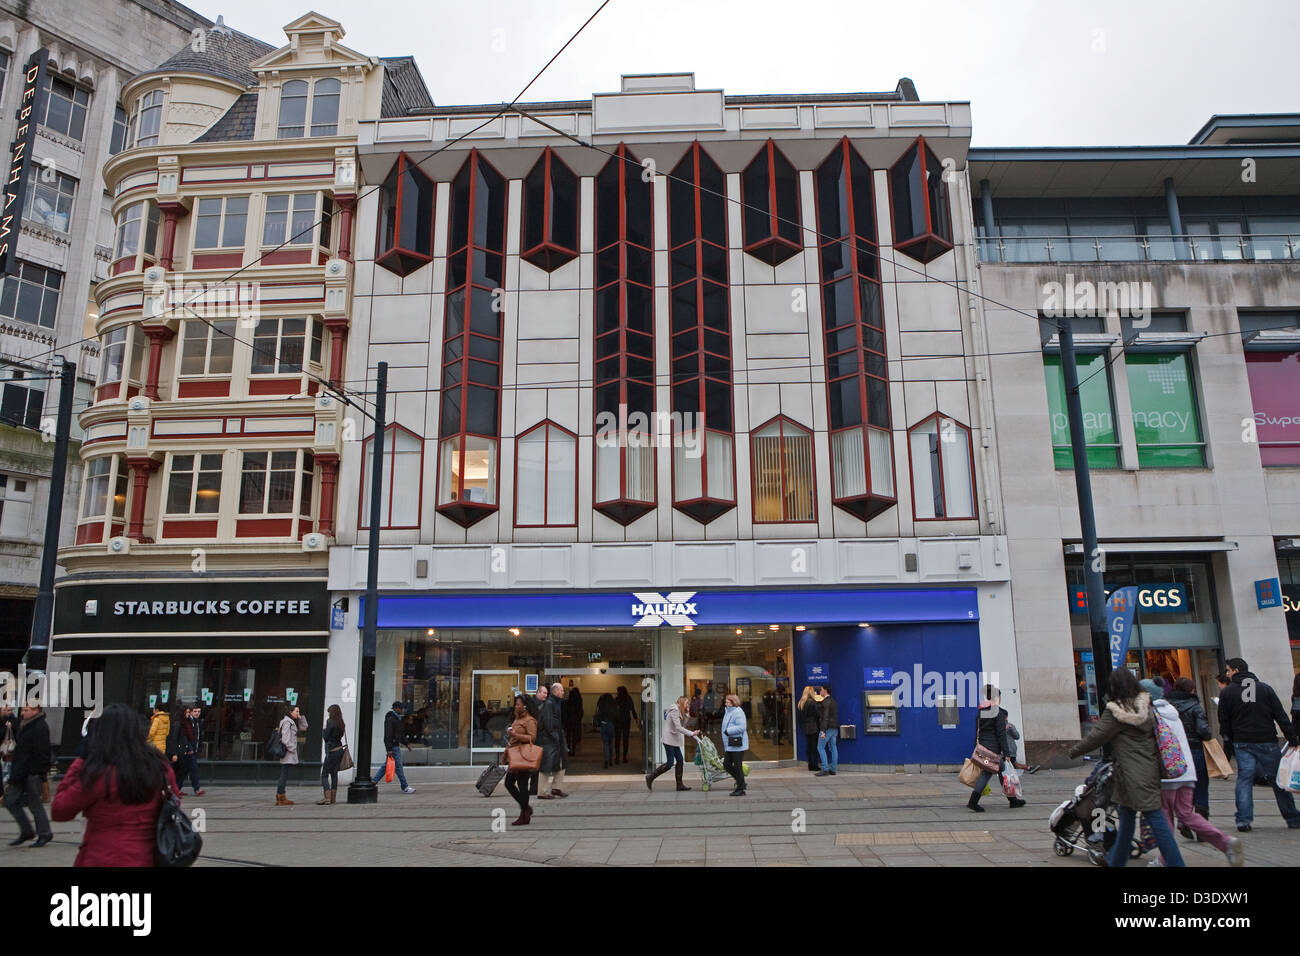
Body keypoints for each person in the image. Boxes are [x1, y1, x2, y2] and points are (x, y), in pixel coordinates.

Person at [1067, 668, 1185, 867]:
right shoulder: (1146, 706)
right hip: (1146, 771)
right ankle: (1116, 861)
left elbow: (1097, 736)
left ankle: (1176, 863)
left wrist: (1071, 751)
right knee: (1128, 820)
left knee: (1156, 820)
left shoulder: (1117, 711)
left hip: (1132, 775)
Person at [49, 704, 183, 866]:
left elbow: (60, 810)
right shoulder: (158, 765)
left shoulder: (96, 770)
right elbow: (175, 800)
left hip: (101, 857)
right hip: (146, 857)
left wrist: (79, 765)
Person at [1141, 680, 1242, 867]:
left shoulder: (1150, 715)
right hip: (1185, 770)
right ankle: (1225, 842)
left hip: (1166, 773)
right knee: (1187, 813)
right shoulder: (1172, 712)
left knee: (1165, 816)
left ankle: (1165, 859)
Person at [1217, 657, 1300, 832]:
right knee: (1277, 779)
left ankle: (1243, 819)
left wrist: (1228, 740)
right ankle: (1292, 817)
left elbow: (1224, 720)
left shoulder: (1228, 692)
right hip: (1267, 739)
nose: (1227, 673)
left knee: (1245, 779)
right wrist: (1291, 738)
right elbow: (1280, 715)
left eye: (1229, 670)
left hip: (1242, 741)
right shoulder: (1264, 689)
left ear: (1237, 671)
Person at [966, 686, 1026, 812]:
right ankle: (973, 802)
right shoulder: (998, 712)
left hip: (984, 747)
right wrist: (1007, 752)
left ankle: (1013, 799)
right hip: (993, 749)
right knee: (987, 773)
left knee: (1001, 769)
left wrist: (977, 747)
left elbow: (977, 731)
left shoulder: (981, 711)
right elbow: (1001, 734)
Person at [1166, 677, 1213, 824]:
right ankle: (1201, 822)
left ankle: (1183, 820)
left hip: (1173, 752)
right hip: (1195, 749)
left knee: (1181, 787)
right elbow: (1204, 731)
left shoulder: (1167, 706)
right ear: (1191, 690)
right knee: (1201, 786)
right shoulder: (1195, 706)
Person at [5, 702, 52, 846]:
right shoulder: (25, 724)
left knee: (34, 804)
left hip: (31, 773)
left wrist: (36, 772)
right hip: (20, 772)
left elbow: (43, 753)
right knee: (9, 801)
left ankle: (44, 833)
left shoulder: (40, 726)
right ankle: (27, 831)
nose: (22, 713)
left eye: (26, 710)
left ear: (36, 711)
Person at [646, 696, 701, 791]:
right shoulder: (674, 711)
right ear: (682, 702)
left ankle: (679, 785)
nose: (688, 705)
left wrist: (687, 713)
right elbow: (679, 728)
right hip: (668, 739)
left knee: (680, 760)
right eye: (687, 703)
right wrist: (692, 733)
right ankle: (650, 777)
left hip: (674, 739)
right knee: (669, 763)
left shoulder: (680, 711)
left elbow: (683, 725)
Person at [504, 694, 539, 826]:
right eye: (516, 704)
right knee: (509, 783)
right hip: (515, 755)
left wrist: (515, 735)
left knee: (523, 785)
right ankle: (526, 808)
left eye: (518, 704)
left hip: (523, 756)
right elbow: (513, 739)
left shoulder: (529, 720)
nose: (516, 706)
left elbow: (532, 738)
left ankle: (524, 814)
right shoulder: (517, 719)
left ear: (524, 706)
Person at [371, 701, 416, 794]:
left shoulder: (397, 719)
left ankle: (374, 782)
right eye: (400, 708)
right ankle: (405, 786)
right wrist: (389, 749)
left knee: (387, 765)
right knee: (398, 766)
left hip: (394, 745)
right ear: (395, 708)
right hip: (393, 746)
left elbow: (400, 734)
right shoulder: (390, 719)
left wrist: (406, 744)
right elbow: (388, 735)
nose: (402, 710)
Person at [537, 682, 569, 799]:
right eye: (561, 690)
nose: (563, 692)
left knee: (561, 763)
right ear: (555, 691)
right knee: (546, 765)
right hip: (549, 740)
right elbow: (548, 722)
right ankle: (542, 792)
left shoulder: (555, 703)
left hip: (556, 739)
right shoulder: (549, 704)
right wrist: (554, 737)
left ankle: (556, 787)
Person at [275, 704, 309, 806]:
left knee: (284, 773)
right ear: (290, 712)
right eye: (296, 711)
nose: (298, 713)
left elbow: (304, 727)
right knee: (284, 774)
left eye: (298, 711)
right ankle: (281, 796)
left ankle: (280, 796)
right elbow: (285, 738)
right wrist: (292, 749)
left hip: (288, 752)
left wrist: (300, 717)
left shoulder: (291, 721)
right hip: (287, 752)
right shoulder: (287, 722)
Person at [170, 704, 204, 797]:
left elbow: (197, 737)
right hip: (185, 751)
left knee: (183, 771)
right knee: (193, 768)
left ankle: (177, 788)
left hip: (190, 750)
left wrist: (198, 748)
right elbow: (176, 738)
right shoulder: (181, 723)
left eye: (199, 711)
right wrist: (175, 753)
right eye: (189, 712)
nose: (189, 714)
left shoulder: (195, 722)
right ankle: (196, 788)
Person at [721, 694, 748, 796]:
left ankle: (740, 789)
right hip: (730, 744)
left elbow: (742, 727)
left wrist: (728, 731)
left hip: (737, 743)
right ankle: (741, 782)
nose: (725, 703)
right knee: (727, 765)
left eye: (727, 702)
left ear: (733, 703)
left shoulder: (738, 712)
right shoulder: (728, 711)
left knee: (737, 766)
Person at [318, 704, 346, 805]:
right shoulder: (341, 723)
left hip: (332, 751)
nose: (328, 714)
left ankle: (327, 797)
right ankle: (333, 798)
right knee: (334, 774)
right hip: (339, 749)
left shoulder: (330, 722)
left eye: (329, 712)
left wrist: (324, 729)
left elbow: (326, 737)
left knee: (324, 774)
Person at [815, 686, 839, 776]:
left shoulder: (825, 702)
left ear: (825, 690)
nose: (819, 691)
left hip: (827, 728)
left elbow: (825, 718)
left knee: (820, 747)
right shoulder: (833, 701)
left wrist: (823, 731)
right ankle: (833, 769)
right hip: (834, 728)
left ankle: (825, 769)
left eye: (821, 690)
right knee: (833, 748)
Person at [797, 686, 822, 772]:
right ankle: (814, 765)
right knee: (814, 747)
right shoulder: (813, 702)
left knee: (809, 746)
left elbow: (799, 718)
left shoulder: (801, 703)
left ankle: (810, 764)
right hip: (814, 727)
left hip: (806, 727)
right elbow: (818, 714)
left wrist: (803, 726)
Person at [613, 685, 638, 764]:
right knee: (625, 739)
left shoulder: (616, 699)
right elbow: (632, 709)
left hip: (617, 721)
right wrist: (636, 718)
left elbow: (613, 710)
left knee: (617, 739)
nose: (617, 693)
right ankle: (624, 757)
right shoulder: (628, 698)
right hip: (626, 721)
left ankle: (617, 757)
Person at [595, 692, 617, 768]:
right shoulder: (613, 705)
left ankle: (606, 760)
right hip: (611, 725)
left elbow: (597, 710)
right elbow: (616, 714)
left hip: (604, 724)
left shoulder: (602, 704)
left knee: (605, 744)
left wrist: (600, 698)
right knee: (611, 743)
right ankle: (611, 759)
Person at [562, 680, 584, 756]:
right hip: (576, 722)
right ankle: (573, 749)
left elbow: (564, 713)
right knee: (574, 736)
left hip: (568, 722)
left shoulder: (566, 702)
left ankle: (568, 749)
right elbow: (581, 712)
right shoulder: (579, 702)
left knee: (568, 736)